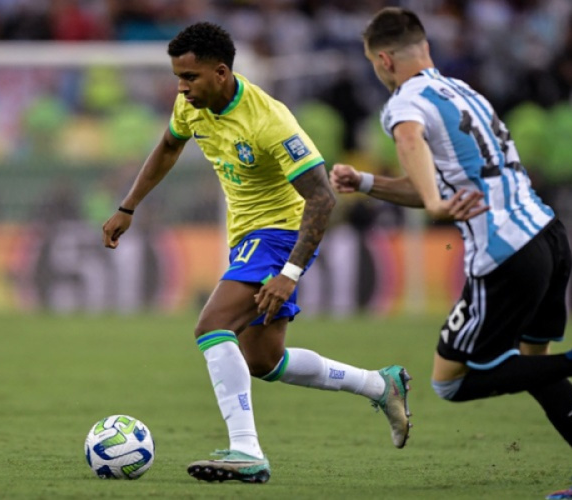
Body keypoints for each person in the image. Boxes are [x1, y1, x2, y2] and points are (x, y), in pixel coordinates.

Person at [329, 8, 572, 500]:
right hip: (548, 236)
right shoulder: (465, 92)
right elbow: (445, 182)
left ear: (384, 59)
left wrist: (433, 203)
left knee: (451, 382)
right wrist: (367, 183)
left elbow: (413, 148)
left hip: (503, 253)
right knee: (532, 365)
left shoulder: (404, 101)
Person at [101, 22, 412, 484]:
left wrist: (289, 271)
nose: (181, 89)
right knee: (264, 360)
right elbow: (168, 146)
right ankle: (379, 384)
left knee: (211, 326)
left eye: (190, 78)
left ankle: (246, 450)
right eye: (177, 79)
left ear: (222, 72)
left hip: (281, 234)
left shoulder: (270, 121)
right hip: (246, 238)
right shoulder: (192, 106)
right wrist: (129, 206)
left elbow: (323, 197)